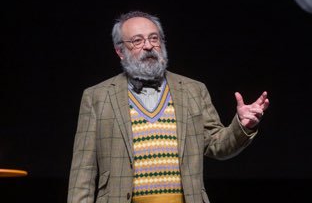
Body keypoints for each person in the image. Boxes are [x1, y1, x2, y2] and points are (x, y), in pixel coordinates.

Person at [67, 11, 269, 203]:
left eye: (154, 38)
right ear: (120, 51)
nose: (148, 46)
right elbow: (83, 171)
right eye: (137, 41)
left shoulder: (192, 90)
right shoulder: (97, 97)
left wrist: (242, 126)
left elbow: (216, 145)